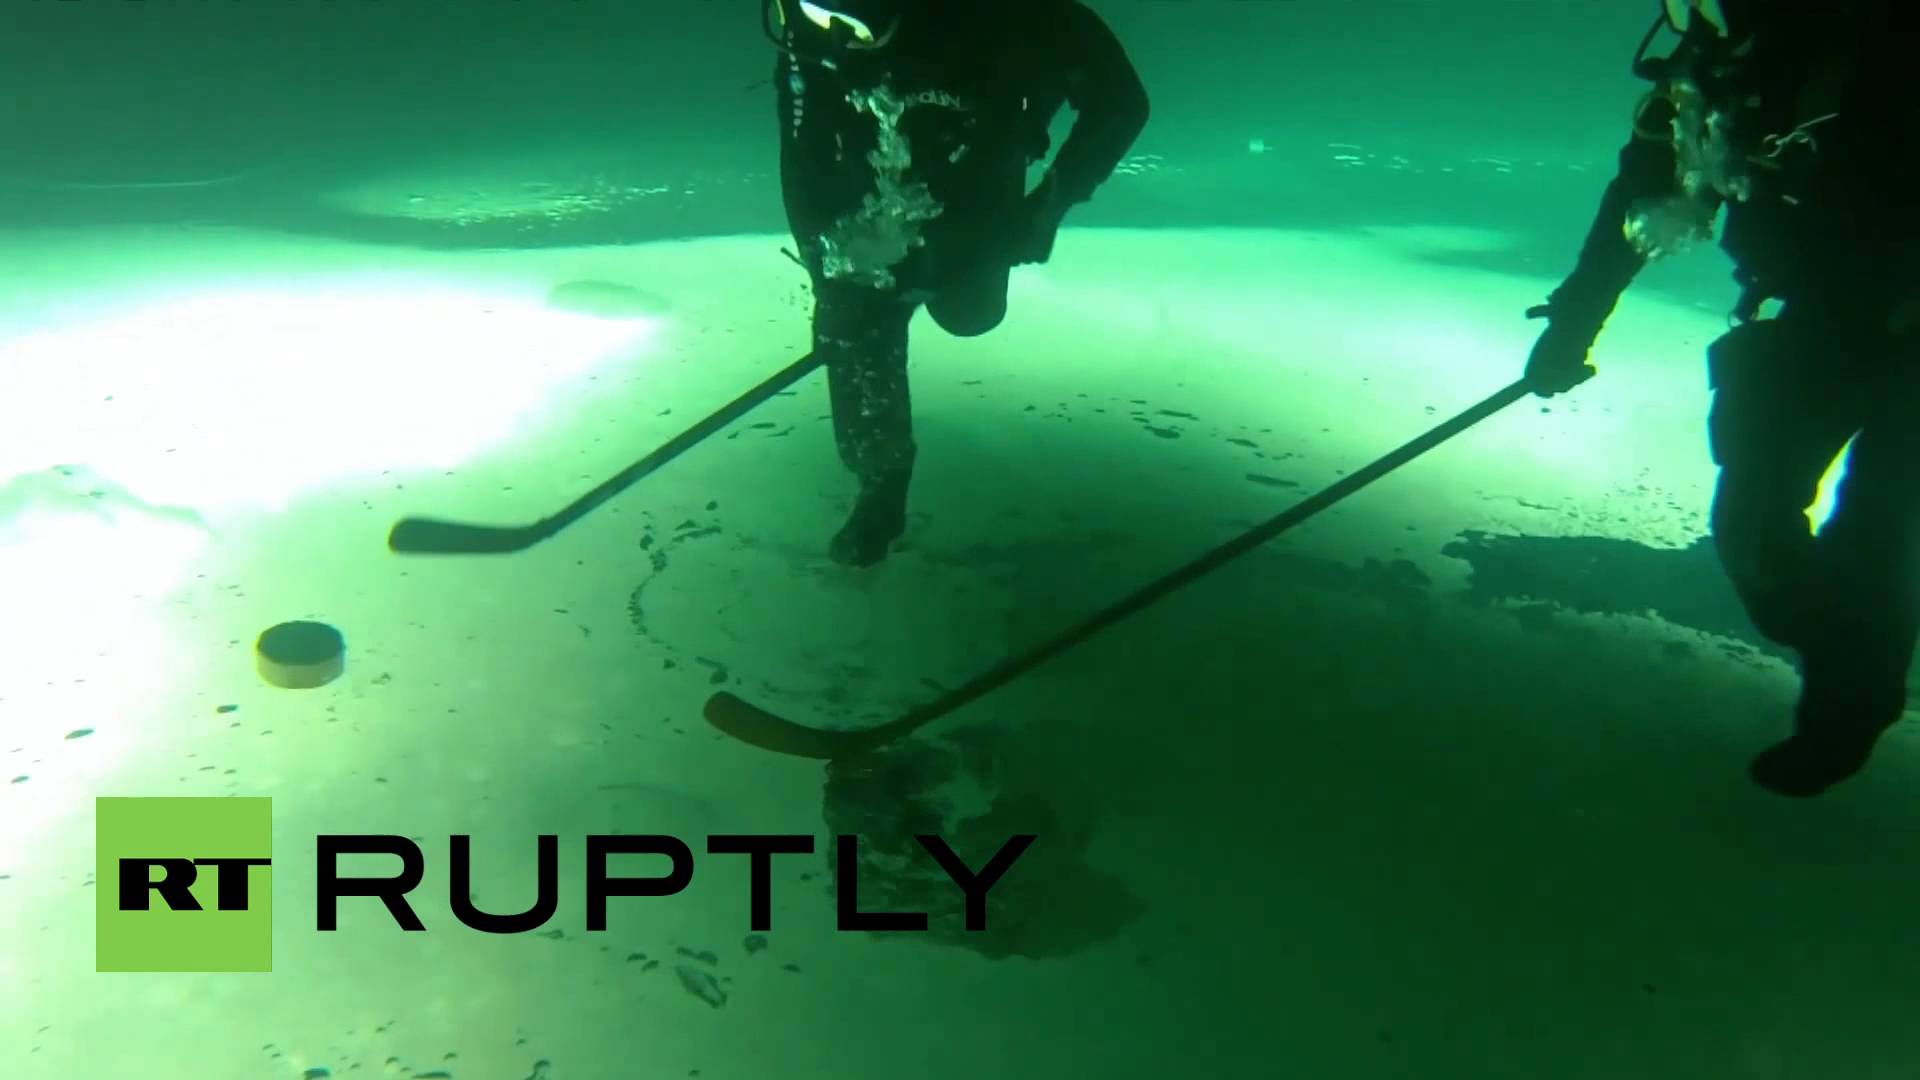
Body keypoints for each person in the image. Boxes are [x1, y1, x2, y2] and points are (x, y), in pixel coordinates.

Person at [1522, 0, 1918, 797]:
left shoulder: (1881, 40)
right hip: (1808, 324)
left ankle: (1847, 711)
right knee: (1753, 534)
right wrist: (1573, 324)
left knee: (1874, 532)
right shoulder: (1711, 65)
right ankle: (1855, 664)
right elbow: (1641, 192)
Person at [764, 0, 1149, 566]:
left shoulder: (1015, 17)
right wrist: (825, 268)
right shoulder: (808, 30)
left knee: (970, 314)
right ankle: (881, 484)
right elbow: (804, 157)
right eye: (817, 16)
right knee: (855, 320)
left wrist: (1049, 202)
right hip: (868, 190)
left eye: (854, 21)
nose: (839, 37)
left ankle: (942, 287)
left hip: (981, 182)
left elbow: (1121, 102)